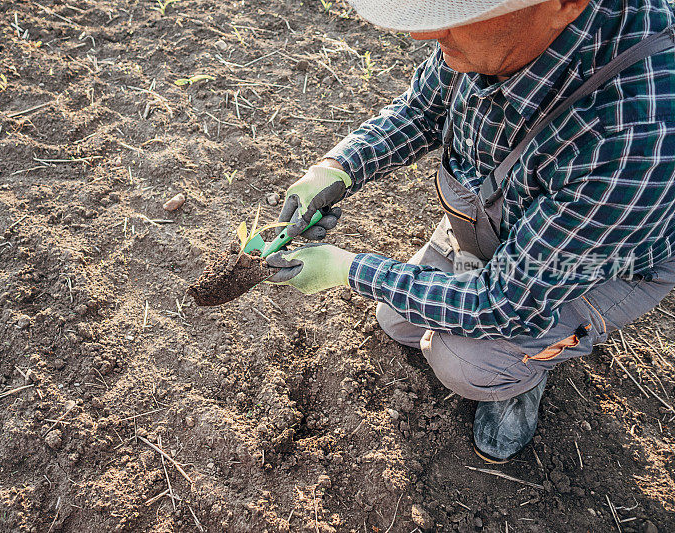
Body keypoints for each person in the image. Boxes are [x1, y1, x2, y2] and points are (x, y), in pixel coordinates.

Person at [266, 0, 675, 463]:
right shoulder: (499, 37)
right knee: (395, 320)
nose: (424, 36)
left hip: (593, 265)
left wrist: (348, 270)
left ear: (563, 5)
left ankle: (524, 375)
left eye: (457, 15)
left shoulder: (634, 136)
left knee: (466, 363)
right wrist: (338, 168)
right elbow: (423, 109)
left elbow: (500, 303)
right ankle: (476, 261)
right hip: (508, 223)